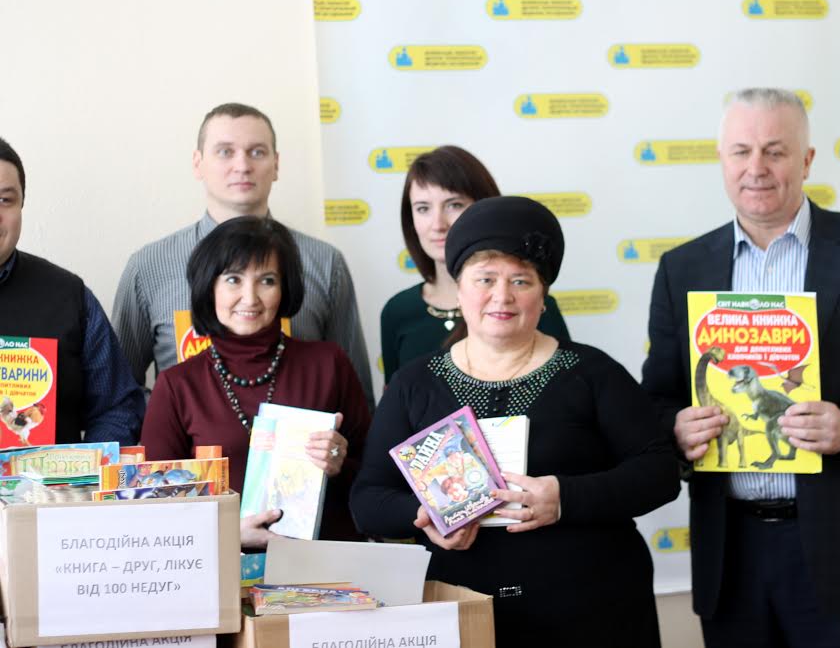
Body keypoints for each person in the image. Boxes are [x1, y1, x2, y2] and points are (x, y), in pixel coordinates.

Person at [641, 88, 840, 648]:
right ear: (721, 160)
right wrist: (676, 431)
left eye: (775, 151)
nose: (756, 168)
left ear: (807, 160)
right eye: (741, 151)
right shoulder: (681, 268)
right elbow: (657, 400)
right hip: (730, 556)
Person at [352, 196, 680, 646]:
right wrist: (425, 515)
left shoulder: (592, 373)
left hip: (593, 609)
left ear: (543, 297)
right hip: (463, 614)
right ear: (460, 289)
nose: (502, 296)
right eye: (485, 279)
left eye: (521, 281)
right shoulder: (416, 384)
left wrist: (564, 498)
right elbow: (368, 498)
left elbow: (659, 472)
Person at [112, 102, 374, 407]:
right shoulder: (149, 267)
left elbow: (355, 395)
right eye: (225, 152)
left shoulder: (325, 263)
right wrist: (172, 417)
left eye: (257, 152)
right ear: (198, 163)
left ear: (276, 164)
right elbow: (119, 395)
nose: (242, 166)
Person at [140, 216, 370, 546]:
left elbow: (375, 480)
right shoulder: (177, 385)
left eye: (267, 281)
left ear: (285, 288)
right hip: (219, 564)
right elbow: (154, 508)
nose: (250, 298)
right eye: (233, 279)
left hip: (321, 563)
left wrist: (339, 463)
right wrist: (229, 535)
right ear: (209, 286)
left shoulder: (328, 364)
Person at [380, 145, 569, 384]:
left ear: (487, 207)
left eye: (454, 205)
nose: (438, 224)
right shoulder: (398, 311)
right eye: (423, 208)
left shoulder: (529, 307)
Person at [0, 136, 144, 445]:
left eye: (4, 200)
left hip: (47, 476)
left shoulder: (69, 296)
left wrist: (86, 467)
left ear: (22, 205)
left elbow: (117, 408)